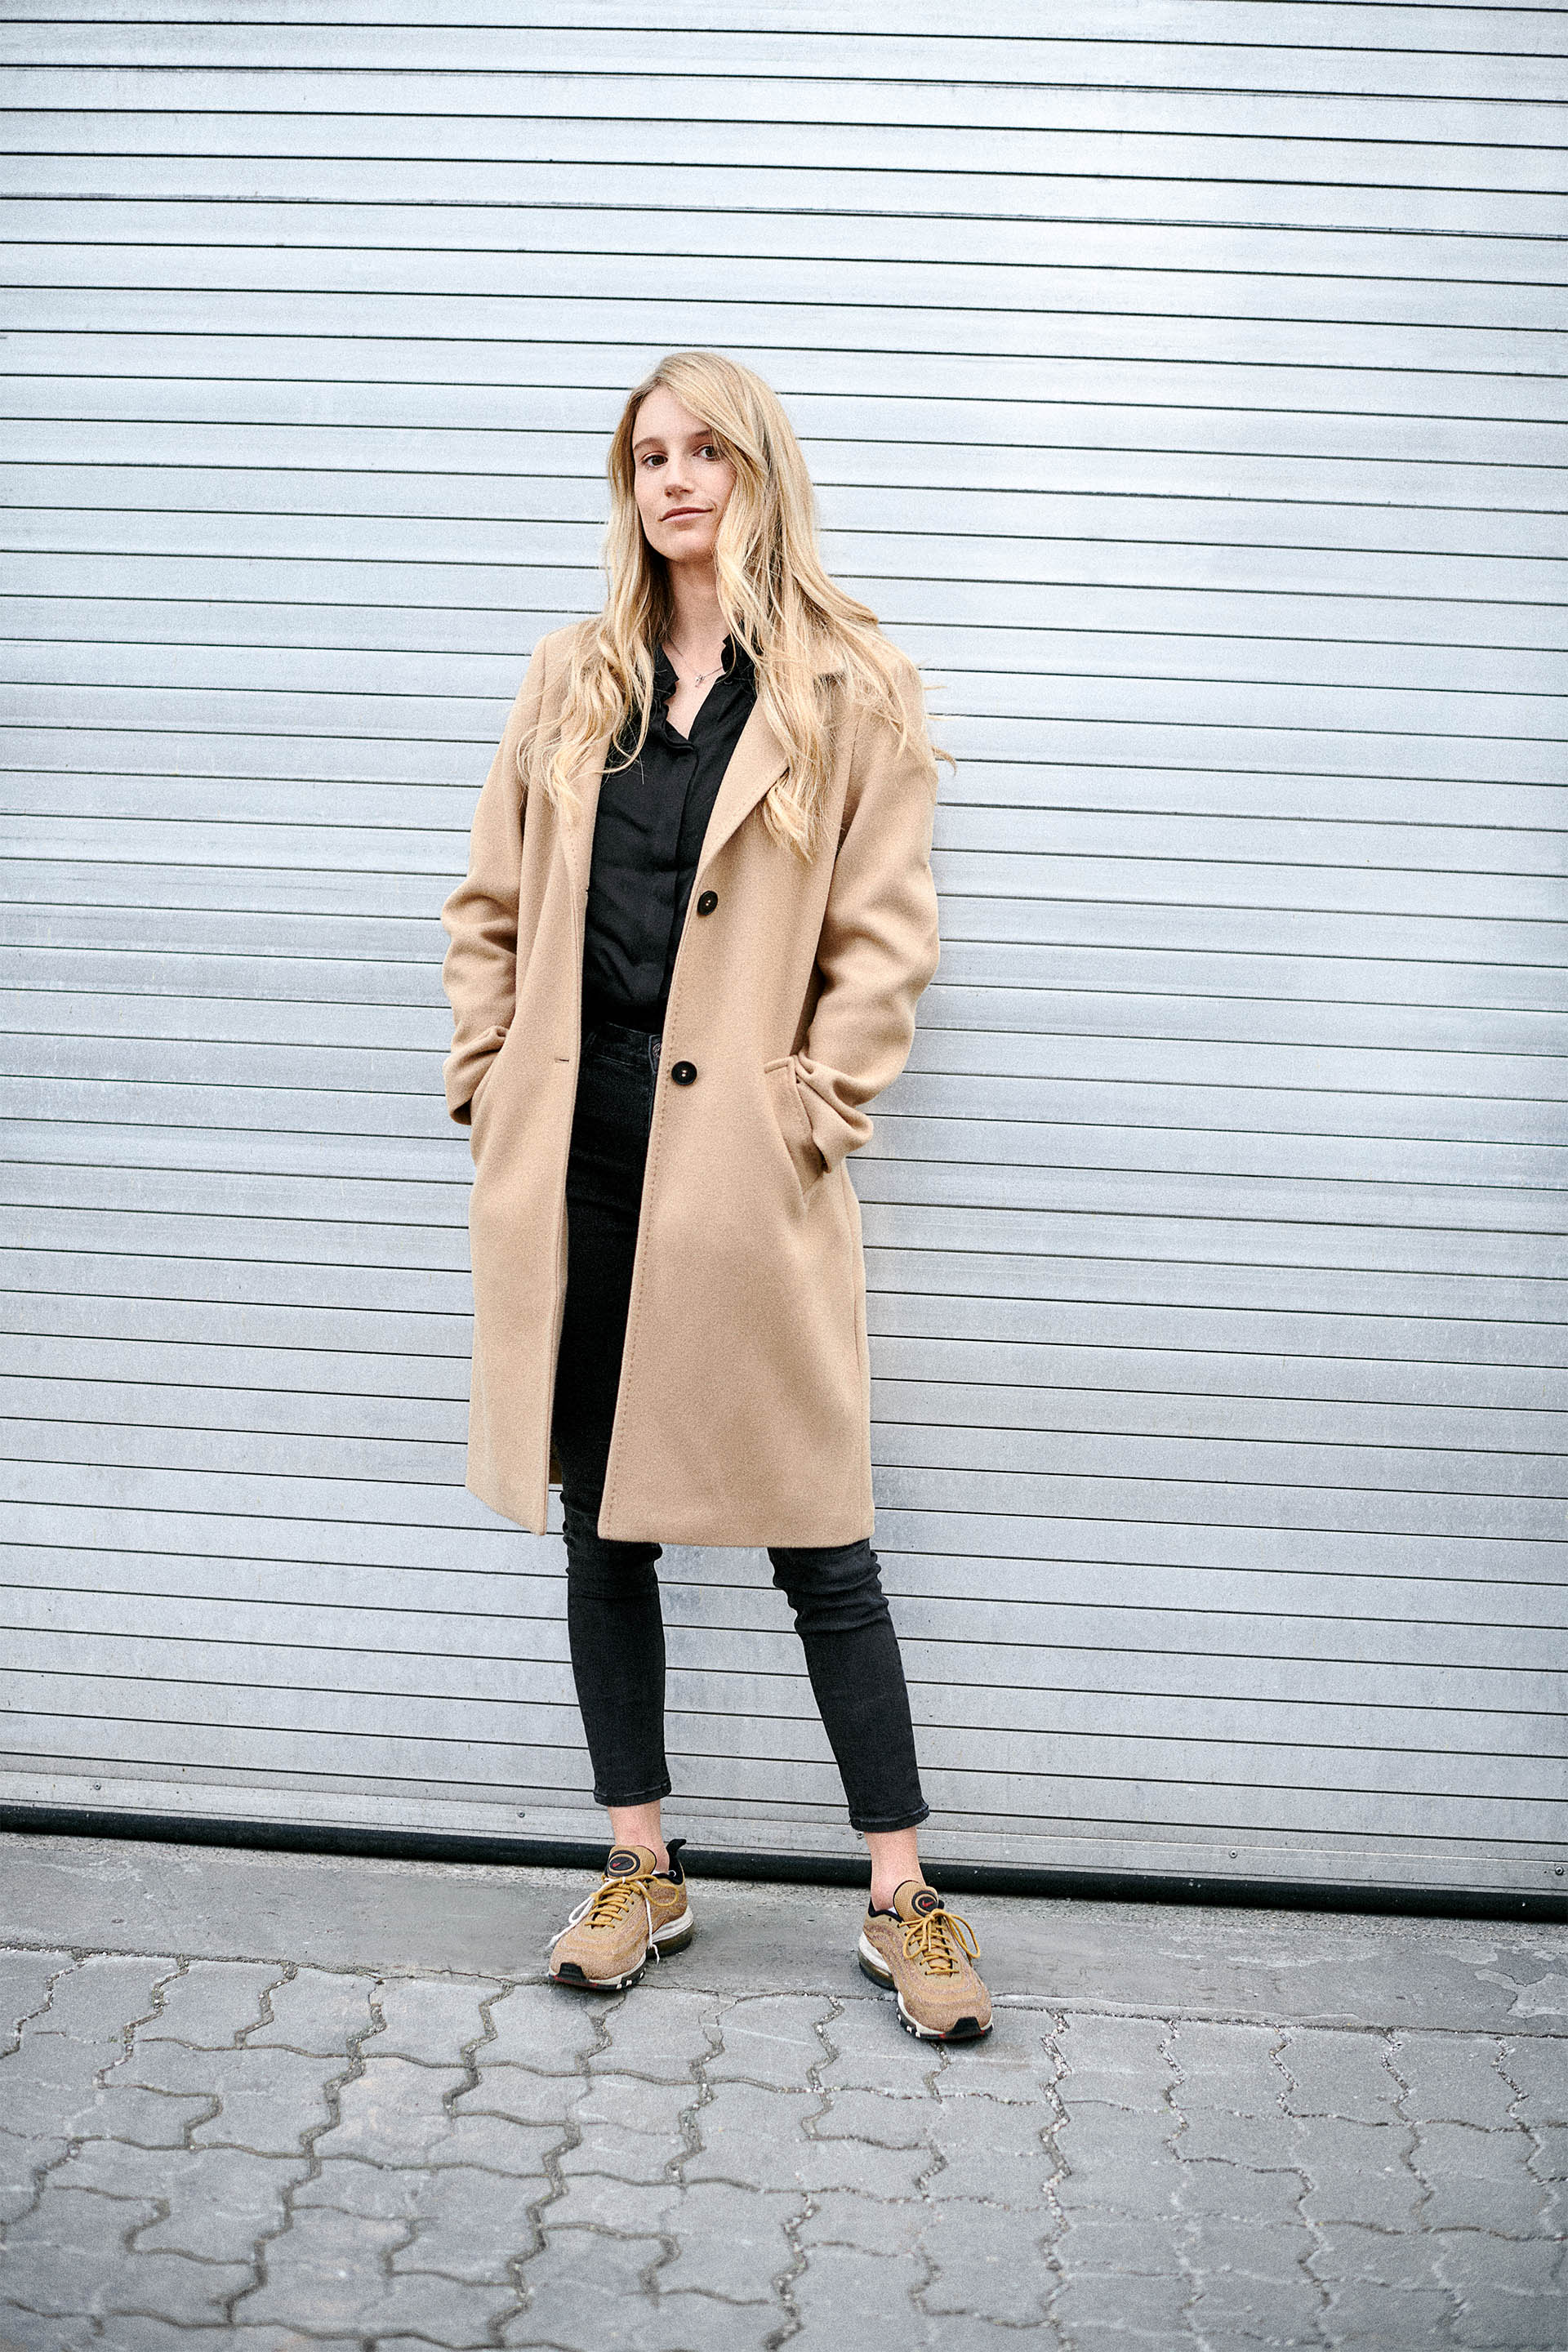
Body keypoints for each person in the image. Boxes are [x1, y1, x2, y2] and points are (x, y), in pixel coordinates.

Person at [439, 350, 991, 2041]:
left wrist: (806, 1115)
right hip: (581, 1168)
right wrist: (488, 1087)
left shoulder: (849, 686)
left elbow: (884, 943)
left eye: (705, 453)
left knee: (825, 1539)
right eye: (646, 457)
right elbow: (488, 907)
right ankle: (642, 1865)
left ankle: (902, 1893)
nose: (672, 481)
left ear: (760, 472)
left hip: (743, 1185)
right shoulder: (571, 678)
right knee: (605, 1528)